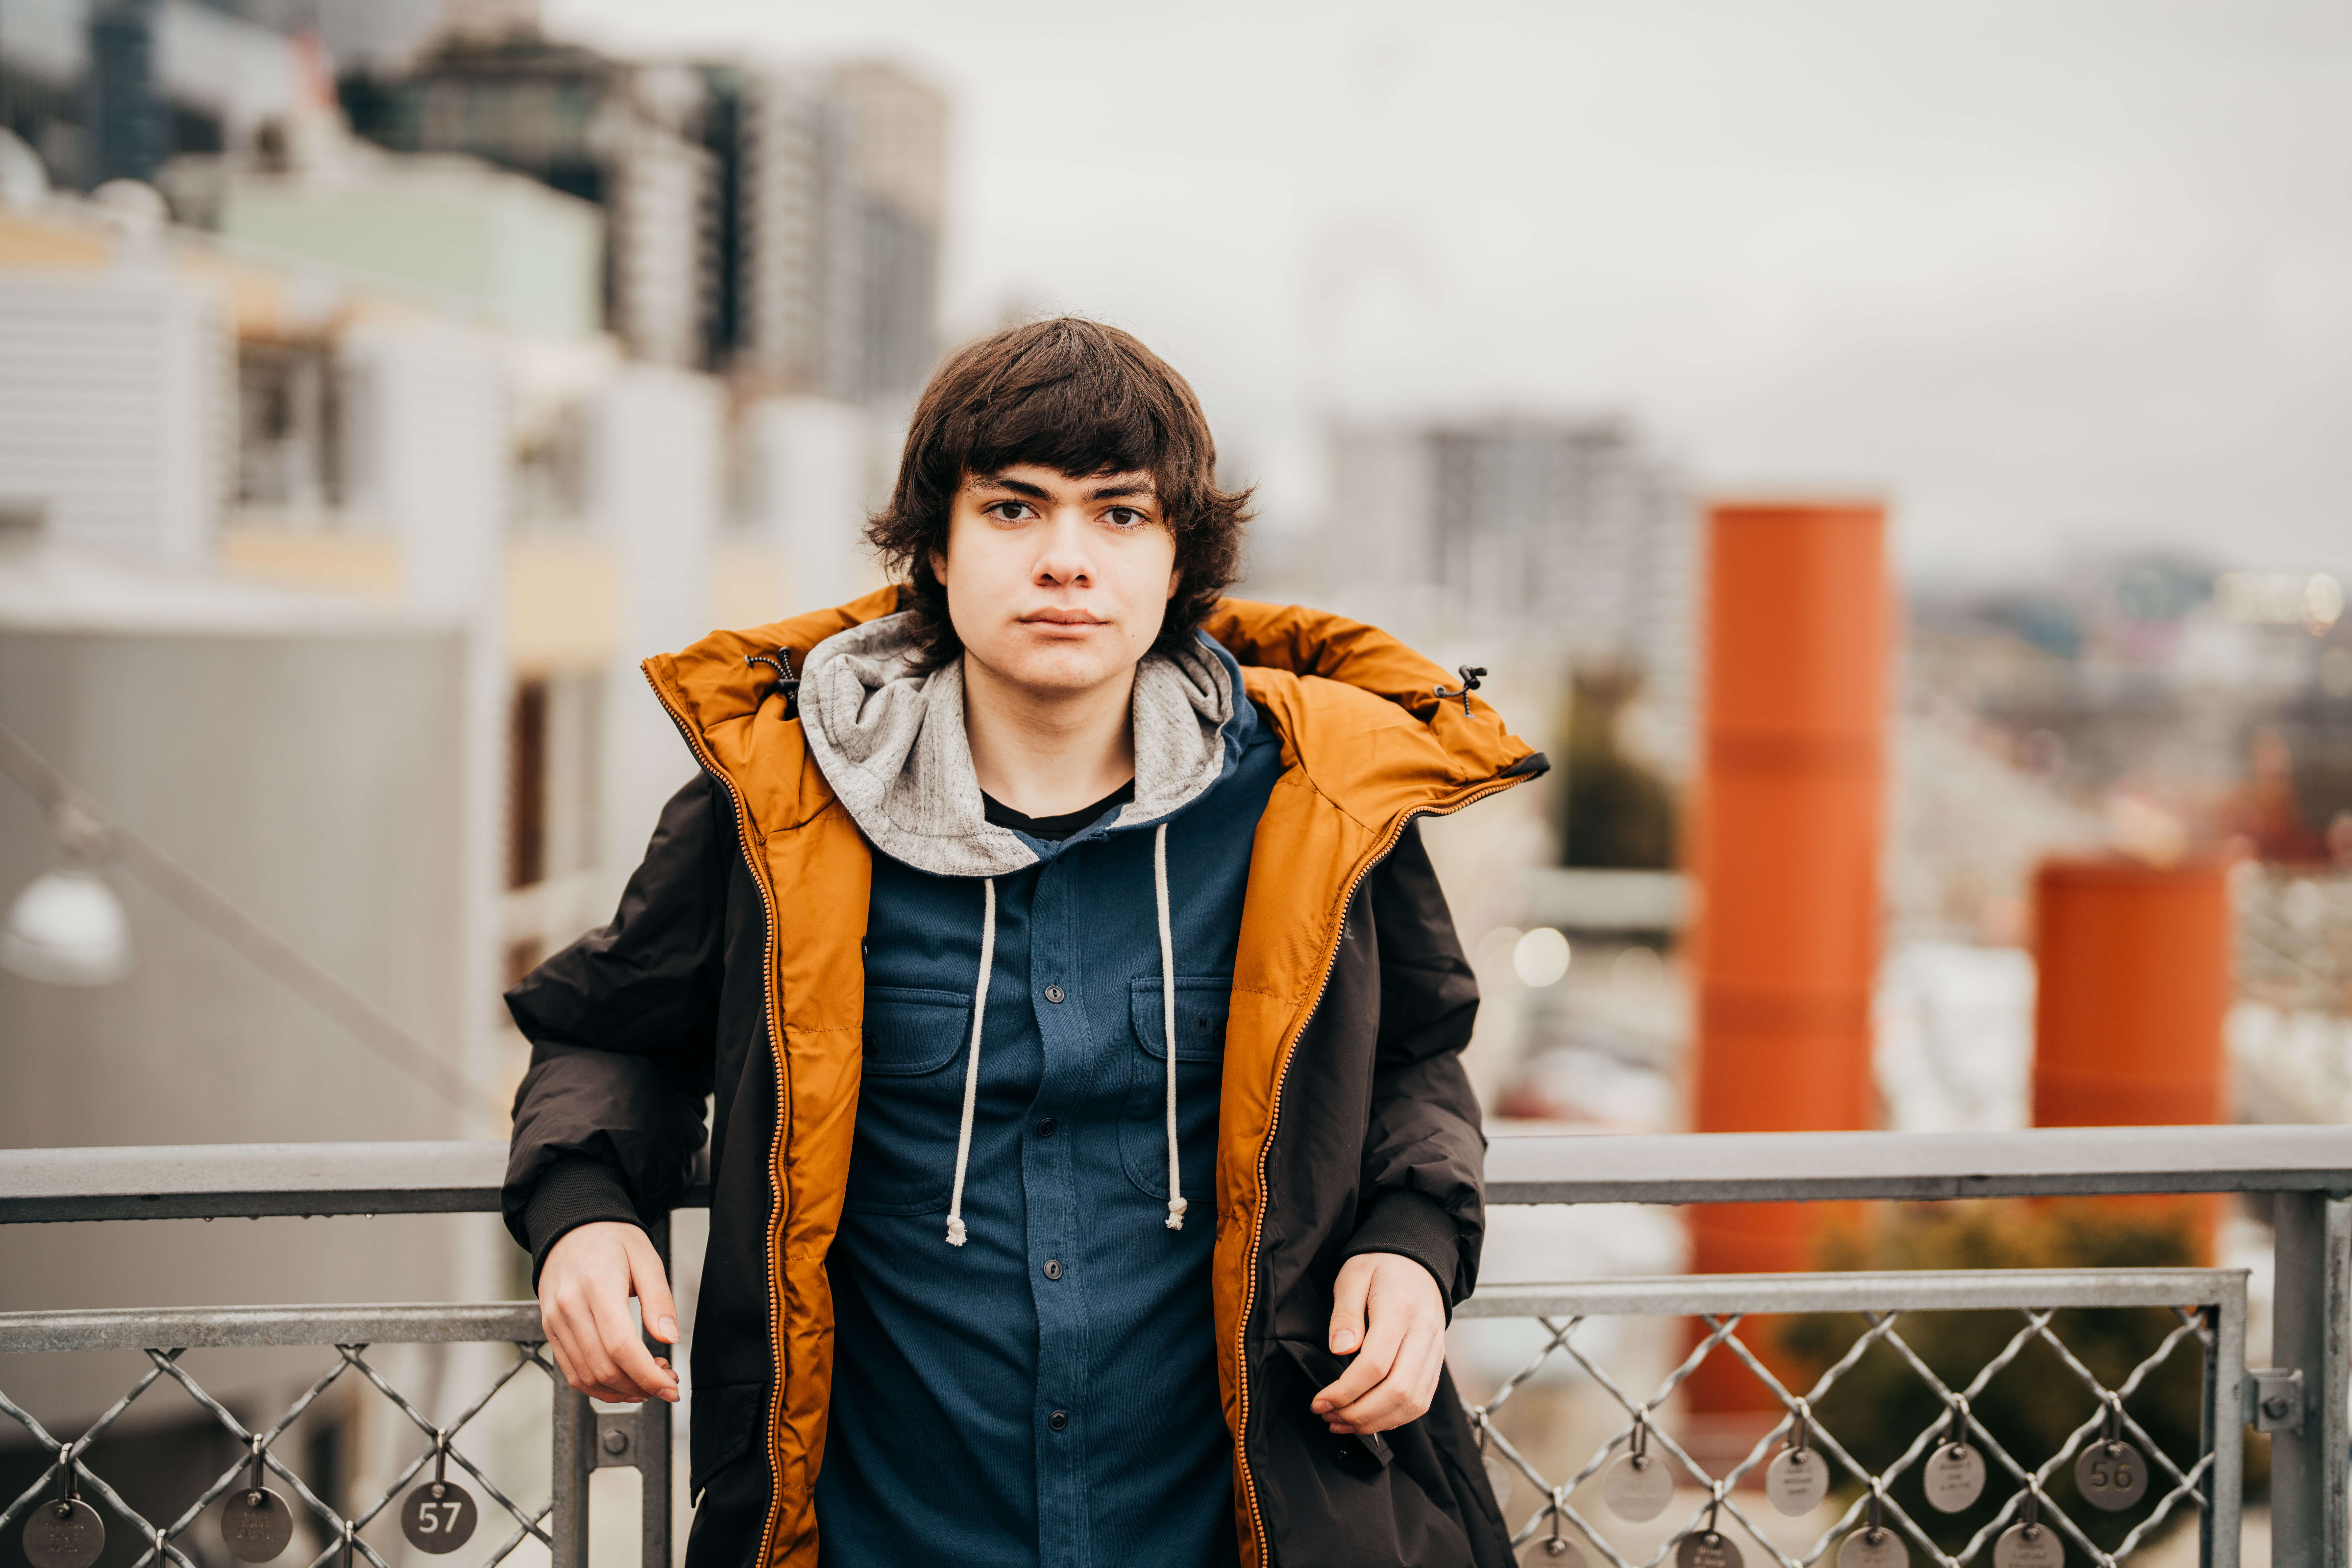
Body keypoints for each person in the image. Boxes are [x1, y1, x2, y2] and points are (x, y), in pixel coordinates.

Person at [501, 318, 1546, 1568]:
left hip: (1236, 1532)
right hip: (877, 1537)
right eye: (1012, 511)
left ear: (1178, 565)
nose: (1066, 562)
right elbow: (605, 1034)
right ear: (933, 550)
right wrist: (585, 1209)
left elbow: (1415, 1065)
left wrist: (1414, 1245)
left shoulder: (1311, 809)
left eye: (1120, 517)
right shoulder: (785, 802)